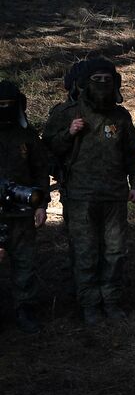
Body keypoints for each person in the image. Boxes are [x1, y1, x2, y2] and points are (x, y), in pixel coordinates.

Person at [44, 59, 135, 324]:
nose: (102, 84)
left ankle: (110, 300)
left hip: (114, 194)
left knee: (115, 251)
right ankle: (89, 304)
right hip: (80, 196)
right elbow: (46, 150)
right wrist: (69, 133)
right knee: (85, 251)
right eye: (96, 79)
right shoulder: (68, 113)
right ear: (85, 83)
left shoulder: (121, 116)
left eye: (107, 79)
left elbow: (132, 153)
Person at [1, 81, 50, 333]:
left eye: (9, 105)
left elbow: (41, 170)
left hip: (22, 211)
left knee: (25, 263)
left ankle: (25, 309)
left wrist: (41, 204)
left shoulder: (27, 135)